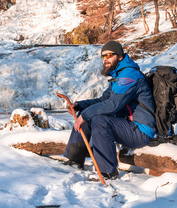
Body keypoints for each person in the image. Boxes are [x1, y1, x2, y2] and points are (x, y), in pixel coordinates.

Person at [64, 40, 156, 180]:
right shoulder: (119, 75)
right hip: (128, 127)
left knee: (99, 120)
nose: (105, 59)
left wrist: (86, 114)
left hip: (140, 130)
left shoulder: (129, 75)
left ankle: (108, 172)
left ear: (119, 56)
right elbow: (103, 101)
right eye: (103, 56)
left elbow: (113, 105)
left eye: (110, 55)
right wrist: (80, 106)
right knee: (87, 116)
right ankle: (74, 162)